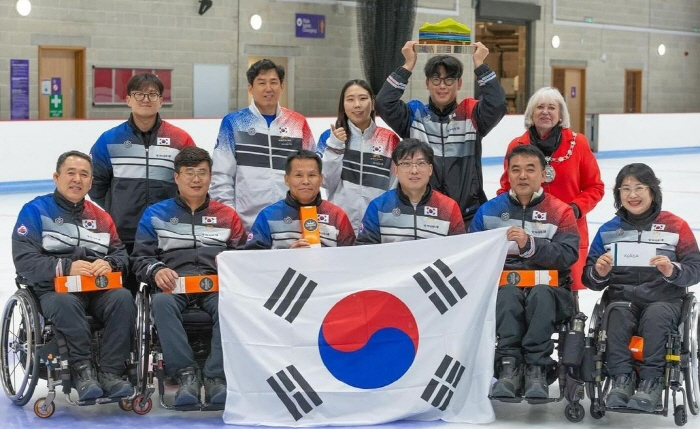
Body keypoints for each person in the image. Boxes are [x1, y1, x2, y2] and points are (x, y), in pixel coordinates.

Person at [11, 151, 134, 401]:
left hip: (97, 289)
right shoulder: (35, 210)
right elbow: (25, 260)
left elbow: (121, 254)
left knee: (123, 298)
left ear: (90, 182)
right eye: (71, 173)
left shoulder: (102, 218)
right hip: (54, 290)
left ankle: (111, 372)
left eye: (84, 175)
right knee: (66, 303)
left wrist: (109, 263)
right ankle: (83, 371)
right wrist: (66, 267)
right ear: (57, 177)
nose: (77, 179)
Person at [131, 147, 247, 406]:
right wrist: (157, 270)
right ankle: (186, 375)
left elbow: (243, 257)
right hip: (173, 286)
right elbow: (140, 258)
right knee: (160, 303)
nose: (196, 179)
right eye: (190, 173)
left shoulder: (227, 216)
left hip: (214, 287)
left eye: (202, 173)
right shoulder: (155, 214)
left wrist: (229, 268)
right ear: (177, 177)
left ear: (210, 176)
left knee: (230, 305)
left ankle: (216, 376)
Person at [583, 163, 700, 412]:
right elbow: (589, 278)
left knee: (656, 315)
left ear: (653, 191)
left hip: (664, 298)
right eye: (625, 189)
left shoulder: (675, 226)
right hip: (622, 297)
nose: (632, 195)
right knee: (616, 313)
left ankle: (651, 382)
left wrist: (672, 270)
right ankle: (621, 380)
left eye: (639, 187)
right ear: (618, 195)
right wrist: (599, 272)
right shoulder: (607, 231)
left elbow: (695, 269)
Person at [470, 145, 579, 399]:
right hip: (504, 288)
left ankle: (537, 369)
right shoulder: (488, 212)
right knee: (507, 296)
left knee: (540, 295)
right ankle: (509, 366)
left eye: (530, 170)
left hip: (551, 290)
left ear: (543, 174)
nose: (522, 176)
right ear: (507, 174)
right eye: (515, 169)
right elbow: (474, 254)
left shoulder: (560, 211)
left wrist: (530, 245)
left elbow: (568, 254)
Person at [375, 41, 507, 228]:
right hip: (425, 215)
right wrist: (408, 65)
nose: (442, 86)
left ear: (459, 83)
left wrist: (480, 64)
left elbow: (498, 103)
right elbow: (383, 103)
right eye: (436, 79)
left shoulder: (472, 114)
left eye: (449, 79)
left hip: (468, 215)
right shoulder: (415, 115)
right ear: (427, 83)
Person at [89, 73, 196, 293]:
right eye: (139, 94)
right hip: (123, 233)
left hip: (167, 232)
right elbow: (96, 184)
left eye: (152, 94)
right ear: (128, 99)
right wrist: (116, 207)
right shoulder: (109, 140)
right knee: (122, 298)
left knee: (166, 295)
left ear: (161, 100)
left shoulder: (180, 139)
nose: (145, 99)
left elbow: (192, 182)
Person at [498, 87, 604, 292]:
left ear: (561, 115)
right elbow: (505, 188)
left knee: (566, 288)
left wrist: (575, 208)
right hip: (528, 229)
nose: (545, 112)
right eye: (540, 107)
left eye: (551, 107)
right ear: (531, 113)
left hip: (567, 229)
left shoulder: (578, 143)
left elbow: (595, 187)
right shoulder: (517, 145)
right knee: (527, 286)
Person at [211, 59, 316, 229]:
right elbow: (221, 176)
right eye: (261, 82)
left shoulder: (298, 123)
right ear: (250, 88)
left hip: (293, 222)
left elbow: (314, 172)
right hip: (247, 223)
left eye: (273, 82)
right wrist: (230, 216)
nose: (268, 88)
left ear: (282, 86)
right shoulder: (234, 122)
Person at [316, 79, 400, 232]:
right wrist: (335, 147)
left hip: (377, 225)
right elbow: (325, 182)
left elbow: (394, 185)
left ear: (373, 103)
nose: (357, 105)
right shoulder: (328, 138)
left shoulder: (389, 139)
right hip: (340, 225)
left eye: (363, 98)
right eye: (350, 99)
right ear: (343, 104)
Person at [356, 139, 465, 244]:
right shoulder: (379, 207)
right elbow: (365, 250)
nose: (414, 171)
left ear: (430, 169)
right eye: (406, 164)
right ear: (396, 170)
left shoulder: (448, 208)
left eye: (421, 163)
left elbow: (459, 252)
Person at [245, 150, 355, 249]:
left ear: (321, 179)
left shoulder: (337, 216)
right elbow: (253, 260)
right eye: (298, 175)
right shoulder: (268, 216)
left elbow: (351, 260)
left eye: (312, 175)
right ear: (287, 179)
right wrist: (290, 257)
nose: (306, 181)